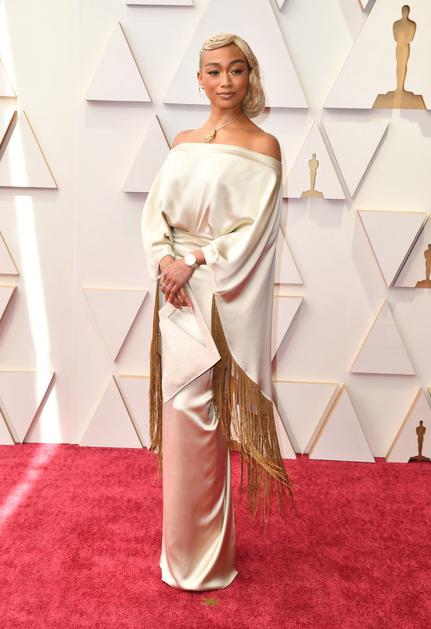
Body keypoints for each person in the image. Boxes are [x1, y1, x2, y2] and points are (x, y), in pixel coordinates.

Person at [141, 32, 295, 592]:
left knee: (202, 420)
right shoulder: (182, 142)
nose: (225, 80)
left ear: (250, 76)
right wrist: (165, 260)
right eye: (213, 71)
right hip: (174, 289)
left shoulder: (264, 145)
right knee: (180, 416)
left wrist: (194, 261)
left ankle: (205, 560)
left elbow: (256, 231)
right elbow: (155, 215)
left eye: (236, 69)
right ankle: (184, 554)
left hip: (215, 291)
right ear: (199, 79)